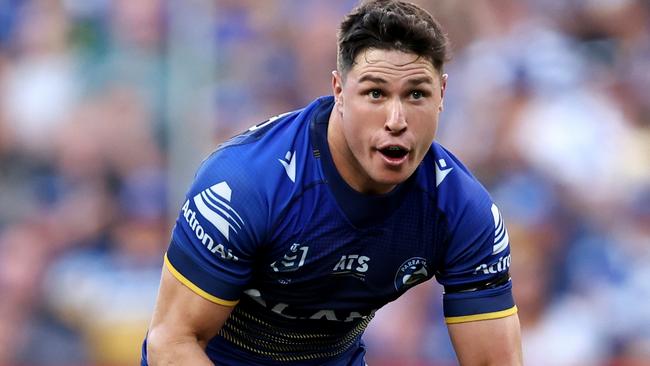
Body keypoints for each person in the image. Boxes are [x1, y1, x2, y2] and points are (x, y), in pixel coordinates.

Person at [142, 0, 522, 365]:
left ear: (442, 95)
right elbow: (172, 342)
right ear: (339, 91)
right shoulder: (245, 186)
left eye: (416, 95)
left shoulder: (463, 211)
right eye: (375, 93)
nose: (396, 119)